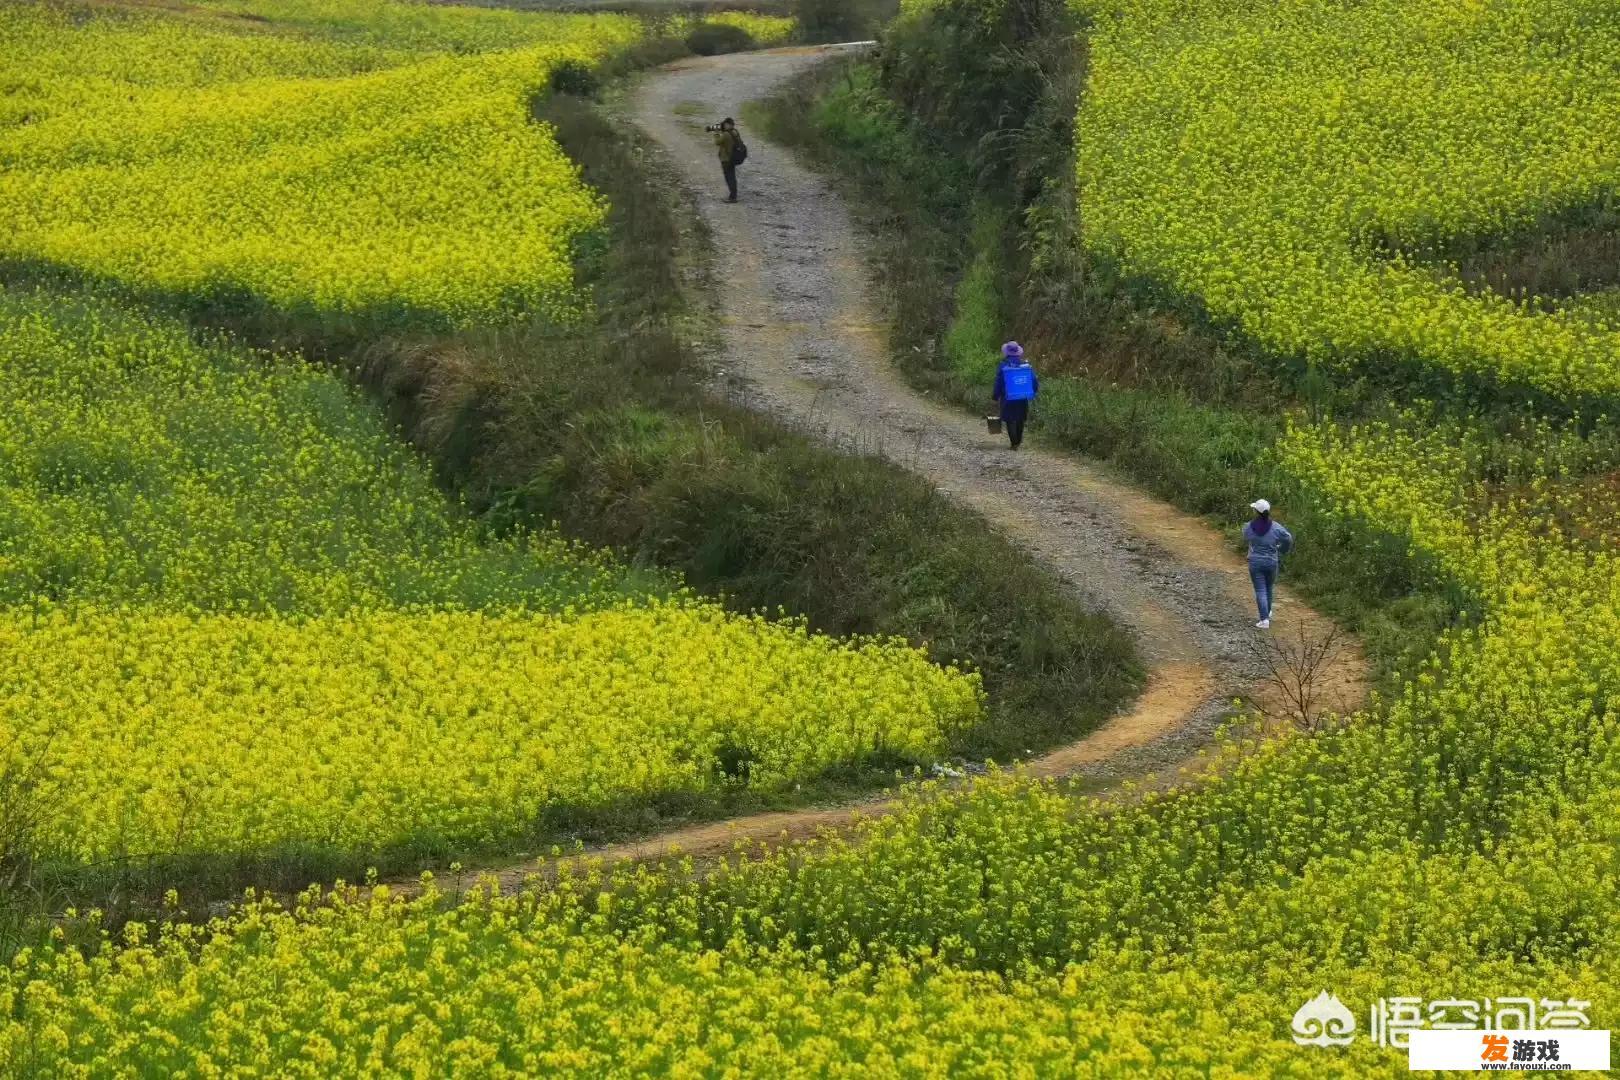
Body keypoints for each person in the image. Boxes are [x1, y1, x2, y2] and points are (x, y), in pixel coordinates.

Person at [1244, 498, 1293, 629]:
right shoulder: (1276, 527)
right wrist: (1282, 549)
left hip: (1255, 562)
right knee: (1269, 588)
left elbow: (1246, 536)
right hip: (1272, 561)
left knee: (1260, 590)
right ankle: (1268, 612)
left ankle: (1264, 619)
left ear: (1256, 511)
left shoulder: (1250, 526)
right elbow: (1288, 537)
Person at [991, 341, 1038, 450]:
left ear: (1006, 353)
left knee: (1010, 419)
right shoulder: (1024, 366)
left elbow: (999, 382)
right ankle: (1018, 441)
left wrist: (995, 395)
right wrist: (1033, 391)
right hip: (1022, 397)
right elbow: (1033, 380)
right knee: (1020, 418)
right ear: (1018, 353)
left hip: (1008, 397)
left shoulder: (1003, 366)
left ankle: (1014, 443)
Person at [709, 118, 740, 203]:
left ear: (728, 124)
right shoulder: (735, 132)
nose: (723, 126)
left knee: (729, 178)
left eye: (725, 124)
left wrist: (716, 133)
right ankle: (733, 195)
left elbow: (717, 142)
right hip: (733, 158)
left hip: (726, 159)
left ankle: (732, 197)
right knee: (732, 177)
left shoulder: (726, 134)